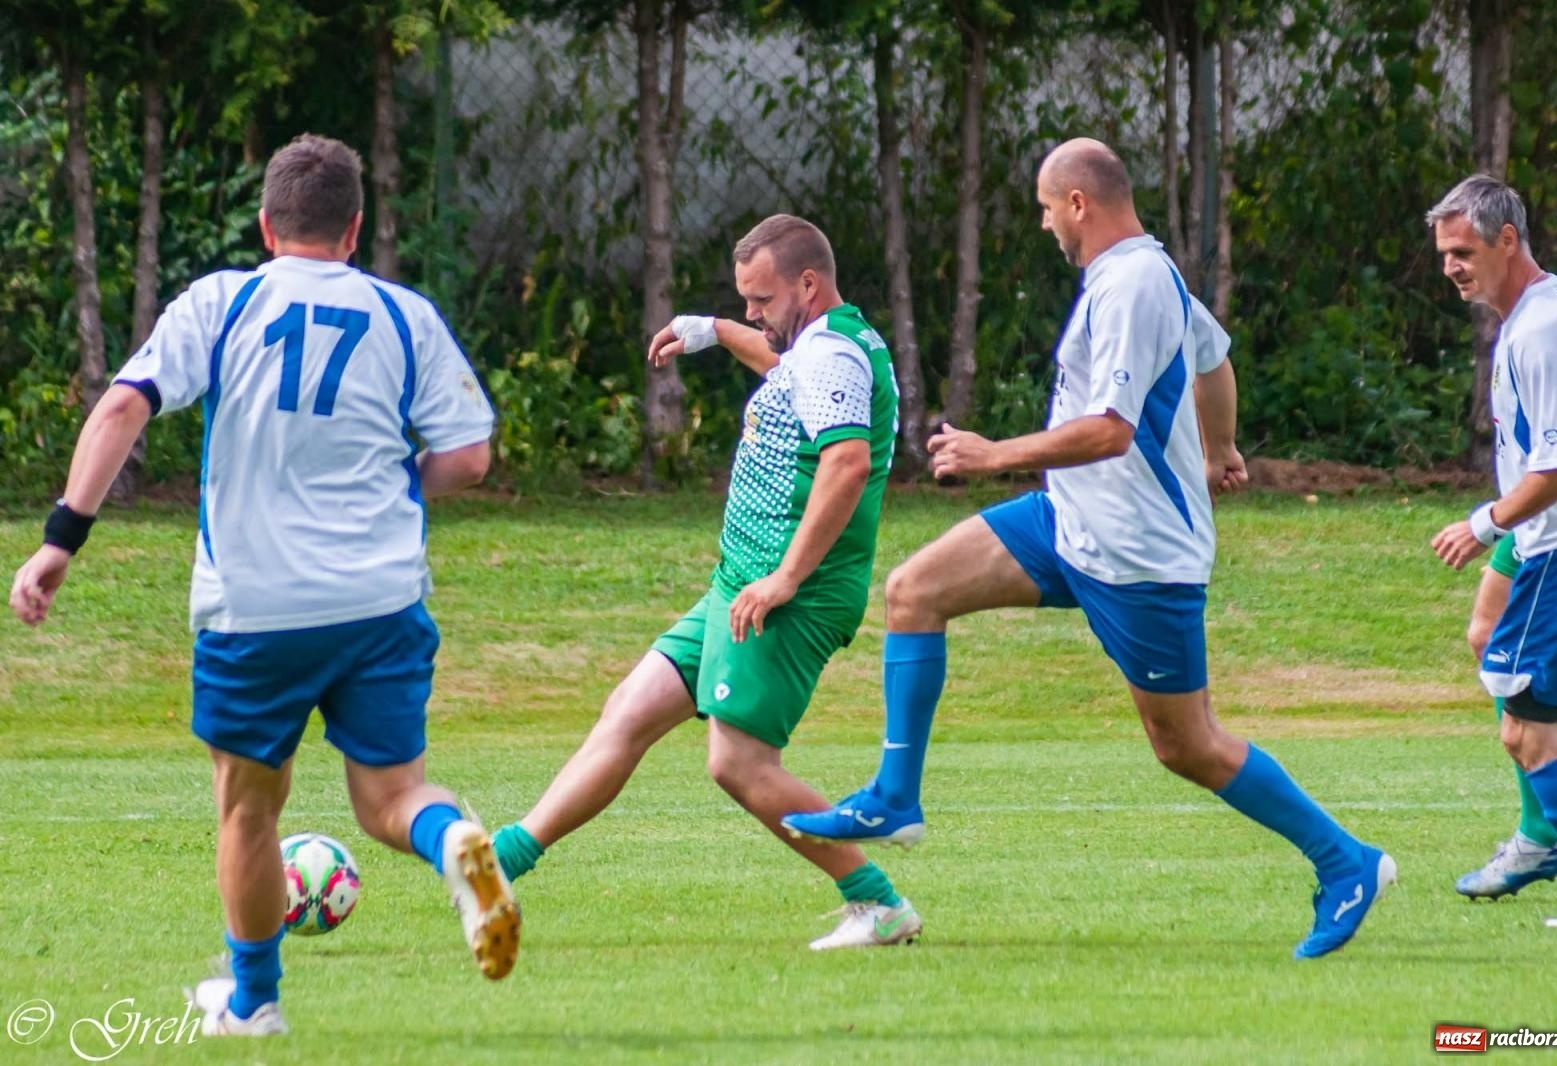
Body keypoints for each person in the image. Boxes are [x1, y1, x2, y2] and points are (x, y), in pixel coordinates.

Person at [782, 138, 1393, 959]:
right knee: (914, 590)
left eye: (1045, 207)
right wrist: (1219, 447)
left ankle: (1347, 861)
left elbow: (1111, 430)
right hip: (1070, 523)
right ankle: (895, 797)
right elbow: (1213, 360)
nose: (1043, 225)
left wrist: (992, 452)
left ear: (1079, 203)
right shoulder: (1136, 275)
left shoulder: (1137, 282)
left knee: (1188, 745)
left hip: (1140, 556)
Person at [8, 134, 519, 1035]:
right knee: (395, 798)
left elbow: (126, 403)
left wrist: (61, 541)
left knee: (248, 807)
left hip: (256, 607)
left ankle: (253, 1003)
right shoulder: (405, 315)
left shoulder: (225, 300)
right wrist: (403, 483)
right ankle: (460, 846)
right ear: (356, 228)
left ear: (265, 224)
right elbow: (471, 458)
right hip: (381, 601)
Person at [489, 214, 920, 949]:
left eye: (762, 299)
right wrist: (719, 331)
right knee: (631, 709)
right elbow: (791, 373)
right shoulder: (824, 342)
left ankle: (878, 903)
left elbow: (846, 463)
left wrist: (785, 578)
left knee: (738, 762)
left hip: (788, 593)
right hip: (741, 582)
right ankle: (499, 863)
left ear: (808, 284)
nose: (755, 311)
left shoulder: (834, 357)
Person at [1426, 174, 1557, 929]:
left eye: (1463, 251)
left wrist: (1488, 523)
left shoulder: (1541, 328)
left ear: (1507, 240)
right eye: (1443, 254)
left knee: (1528, 729)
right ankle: (1544, 838)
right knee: (1555, 724)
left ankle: (1554, 847)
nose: (1452, 267)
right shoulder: (1546, 309)